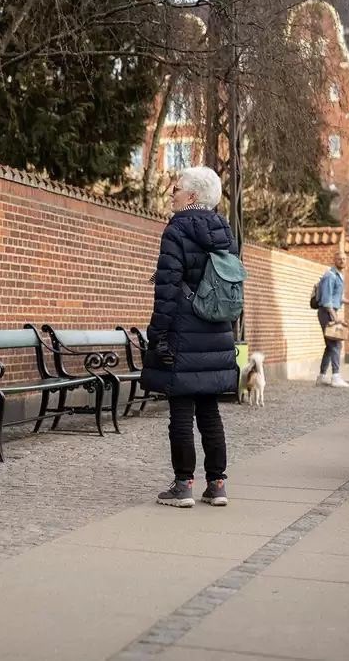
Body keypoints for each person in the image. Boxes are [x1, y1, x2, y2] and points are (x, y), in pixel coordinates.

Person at [141, 167, 238, 508]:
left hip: (183, 330)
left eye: (177, 188)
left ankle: (183, 485)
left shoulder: (177, 229)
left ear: (192, 196)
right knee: (209, 410)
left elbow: (167, 289)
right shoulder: (224, 231)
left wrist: (158, 335)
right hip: (215, 330)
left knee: (181, 412)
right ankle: (217, 484)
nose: (172, 192)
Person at [316, 251, 349, 388]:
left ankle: (321, 376)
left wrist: (348, 301)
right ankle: (336, 376)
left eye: (344, 259)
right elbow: (327, 300)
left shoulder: (339, 276)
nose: (342, 261)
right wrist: (335, 318)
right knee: (336, 344)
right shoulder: (330, 276)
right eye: (339, 259)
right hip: (327, 312)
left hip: (330, 311)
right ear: (334, 260)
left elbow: (336, 297)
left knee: (330, 345)